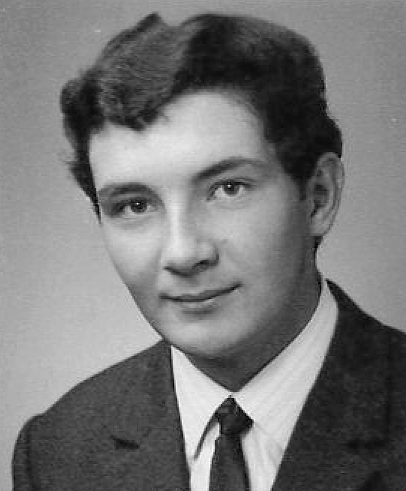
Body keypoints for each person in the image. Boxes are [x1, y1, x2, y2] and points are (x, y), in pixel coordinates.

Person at [12, 11, 406, 491]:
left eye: (228, 189)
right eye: (135, 205)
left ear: (318, 197)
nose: (183, 254)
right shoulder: (58, 451)